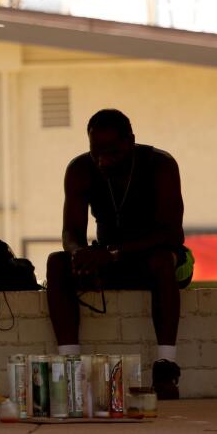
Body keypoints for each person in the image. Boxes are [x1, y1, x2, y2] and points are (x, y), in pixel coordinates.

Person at [45, 108, 189, 399]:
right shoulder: (80, 169)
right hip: (106, 258)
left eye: (112, 152)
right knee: (56, 263)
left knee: (162, 259)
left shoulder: (160, 164)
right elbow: (70, 232)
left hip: (153, 256)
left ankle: (165, 366)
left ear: (131, 141)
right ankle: (71, 366)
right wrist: (80, 254)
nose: (103, 160)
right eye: (96, 151)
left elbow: (172, 234)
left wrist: (112, 253)